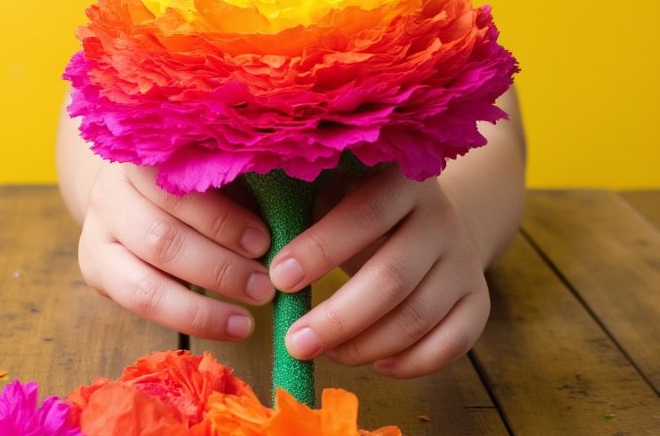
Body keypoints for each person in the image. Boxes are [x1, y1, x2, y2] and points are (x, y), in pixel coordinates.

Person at [56, 86, 525, 379]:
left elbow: (498, 131)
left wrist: (460, 214)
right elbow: (82, 109)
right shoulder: (147, 23)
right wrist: (110, 187)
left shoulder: (417, 24)